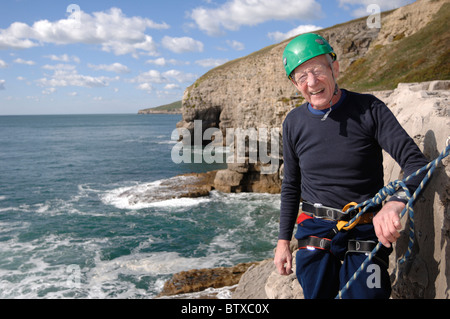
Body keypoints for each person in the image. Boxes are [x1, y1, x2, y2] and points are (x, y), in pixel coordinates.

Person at [274, 33, 429, 299]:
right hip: (315, 232)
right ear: (295, 83)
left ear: (334, 67)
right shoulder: (293, 123)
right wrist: (283, 242)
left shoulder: (370, 109)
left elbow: (417, 163)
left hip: (366, 228)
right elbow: (291, 185)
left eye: (317, 70)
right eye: (301, 77)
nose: (311, 83)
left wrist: (394, 204)